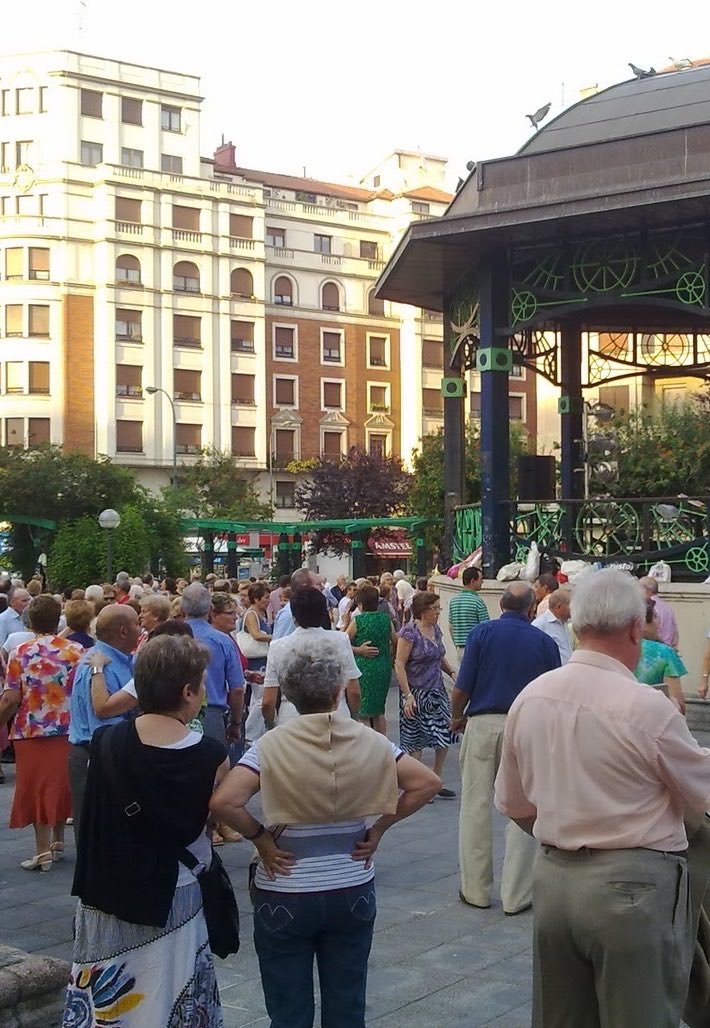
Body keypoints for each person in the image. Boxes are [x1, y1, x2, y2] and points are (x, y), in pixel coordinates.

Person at [494, 567, 710, 1028]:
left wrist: (568, 825)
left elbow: (513, 803)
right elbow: (703, 790)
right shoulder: (646, 708)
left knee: (562, 1017)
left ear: (575, 625)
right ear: (636, 628)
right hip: (632, 888)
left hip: (554, 882)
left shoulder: (531, 698)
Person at [210, 635, 441, 1028]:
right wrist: (380, 827)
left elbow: (224, 802)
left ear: (288, 692)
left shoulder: (270, 746)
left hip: (285, 885)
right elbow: (426, 783)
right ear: (338, 692)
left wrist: (261, 838)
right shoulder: (373, 742)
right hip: (351, 881)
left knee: (288, 1007)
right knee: (347, 1002)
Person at [63, 635, 228, 1027]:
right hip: (173, 892)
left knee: (110, 1000)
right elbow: (210, 819)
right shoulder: (209, 755)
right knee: (173, 992)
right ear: (188, 692)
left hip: (107, 888)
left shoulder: (105, 742)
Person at [451, 581, 560, 913]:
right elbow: (554, 693)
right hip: (526, 725)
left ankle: (475, 889)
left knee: (475, 804)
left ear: (500, 604)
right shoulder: (544, 641)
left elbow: (461, 687)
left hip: (484, 720)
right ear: (531, 609)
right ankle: (517, 894)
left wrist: (457, 718)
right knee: (525, 808)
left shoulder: (481, 634)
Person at [0, 595, 83, 870]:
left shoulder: (21, 652)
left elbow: (11, 698)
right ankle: (59, 840)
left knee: (36, 787)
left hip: (31, 729)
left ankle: (42, 850)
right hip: (68, 727)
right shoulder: (75, 651)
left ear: (31, 621)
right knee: (60, 784)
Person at [68, 604, 140, 841]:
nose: (140, 630)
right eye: (136, 624)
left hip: (100, 750)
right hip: (97, 753)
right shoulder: (101, 664)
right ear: (122, 631)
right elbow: (102, 714)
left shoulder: (113, 659)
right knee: (98, 829)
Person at [260, 587, 369, 734]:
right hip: (336, 714)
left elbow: (268, 701)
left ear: (294, 616)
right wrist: (354, 717)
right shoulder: (340, 639)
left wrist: (270, 725)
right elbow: (354, 690)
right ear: (323, 612)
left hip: (291, 718)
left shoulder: (277, 646)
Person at [395, 591, 458, 797]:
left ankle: (436, 779)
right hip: (416, 691)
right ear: (423, 610)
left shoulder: (435, 630)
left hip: (436, 689)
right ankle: (419, 783)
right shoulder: (410, 632)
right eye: (434, 608)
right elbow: (400, 664)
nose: (438, 612)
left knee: (445, 733)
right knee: (416, 739)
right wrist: (407, 695)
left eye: (439, 608)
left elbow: (439, 656)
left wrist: (451, 671)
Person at [181, 583, 244, 747]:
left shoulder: (173, 637)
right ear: (210, 609)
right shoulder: (223, 641)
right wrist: (236, 723)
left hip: (176, 713)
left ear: (183, 608)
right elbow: (237, 688)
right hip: (212, 714)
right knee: (215, 767)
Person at [346, 583, 397, 734]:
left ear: (360, 604)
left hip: (364, 666)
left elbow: (343, 641)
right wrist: (390, 655)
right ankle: (383, 745)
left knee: (364, 712)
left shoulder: (359, 621)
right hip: (383, 666)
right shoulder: (385, 619)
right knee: (379, 711)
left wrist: (358, 650)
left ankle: (369, 747)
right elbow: (395, 640)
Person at [635, 596, 687, 713]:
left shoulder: (618, 646)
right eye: (654, 616)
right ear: (643, 622)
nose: (659, 622)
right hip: (653, 718)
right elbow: (678, 702)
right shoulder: (664, 653)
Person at [272, 569, 330, 638]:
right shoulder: (289, 614)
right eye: (318, 584)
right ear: (304, 587)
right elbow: (281, 645)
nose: (323, 587)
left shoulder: (313, 609)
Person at [448, 567, 489, 661]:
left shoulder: (453, 601)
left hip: (460, 649)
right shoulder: (478, 602)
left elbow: (451, 627)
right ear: (472, 581)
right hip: (475, 649)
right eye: (480, 579)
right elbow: (486, 628)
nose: (482, 582)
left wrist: (457, 646)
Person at [531, 588, 572, 664]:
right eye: (570, 606)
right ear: (559, 606)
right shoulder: (539, 625)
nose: (573, 609)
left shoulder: (564, 623)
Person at [639, 575, 679, 648]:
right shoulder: (668, 608)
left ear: (645, 590)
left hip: (652, 650)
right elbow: (675, 635)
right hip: (668, 651)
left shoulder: (648, 607)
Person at [241, 583, 272, 670]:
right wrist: (275, 637)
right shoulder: (251, 614)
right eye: (266, 598)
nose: (269, 601)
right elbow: (256, 635)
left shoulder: (262, 613)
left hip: (262, 657)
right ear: (256, 599)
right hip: (254, 659)